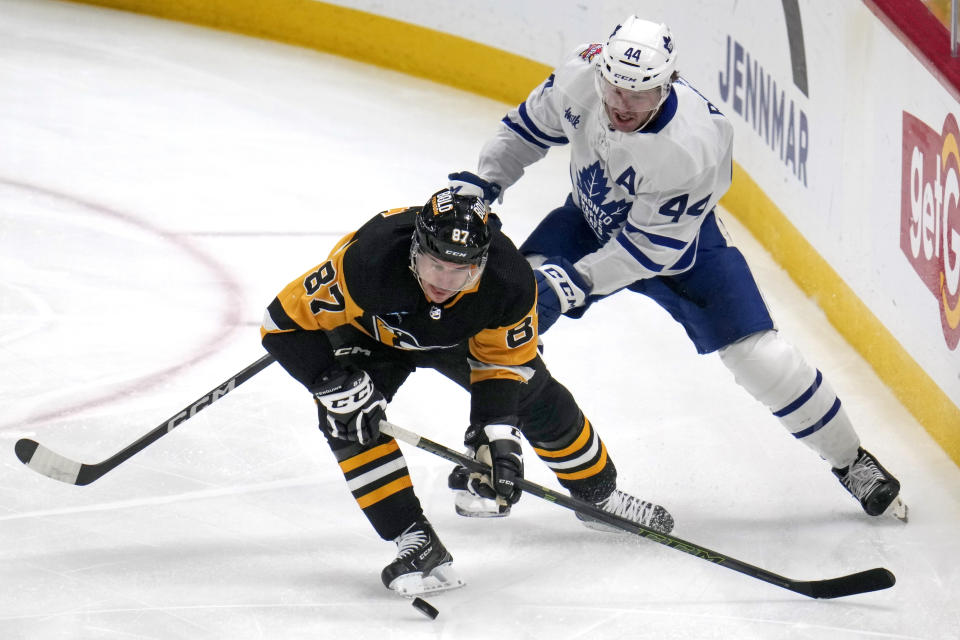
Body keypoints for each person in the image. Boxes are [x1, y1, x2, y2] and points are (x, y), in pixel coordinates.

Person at [448, 16, 907, 521]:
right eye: (614, 87)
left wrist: (576, 281)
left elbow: (649, 250)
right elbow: (524, 131)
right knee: (504, 317)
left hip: (677, 253)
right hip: (586, 222)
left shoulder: (696, 141)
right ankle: (488, 447)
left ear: (666, 86)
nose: (622, 104)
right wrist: (482, 184)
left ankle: (850, 461)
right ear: (601, 69)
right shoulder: (581, 75)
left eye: (639, 95)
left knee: (762, 359)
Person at [260, 188, 674, 596]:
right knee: (348, 420)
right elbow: (279, 323)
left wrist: (495, 433)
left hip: (462, 338)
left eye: (460, 272)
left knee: (534, 394)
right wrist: (330, 380)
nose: (443, 282)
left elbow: (501, 362)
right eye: (433, 265)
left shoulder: (509, 281)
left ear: (481, 263)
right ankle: (416, 539)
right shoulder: (368, 262)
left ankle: (599, 495)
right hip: (372, 333)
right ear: (413, 250)